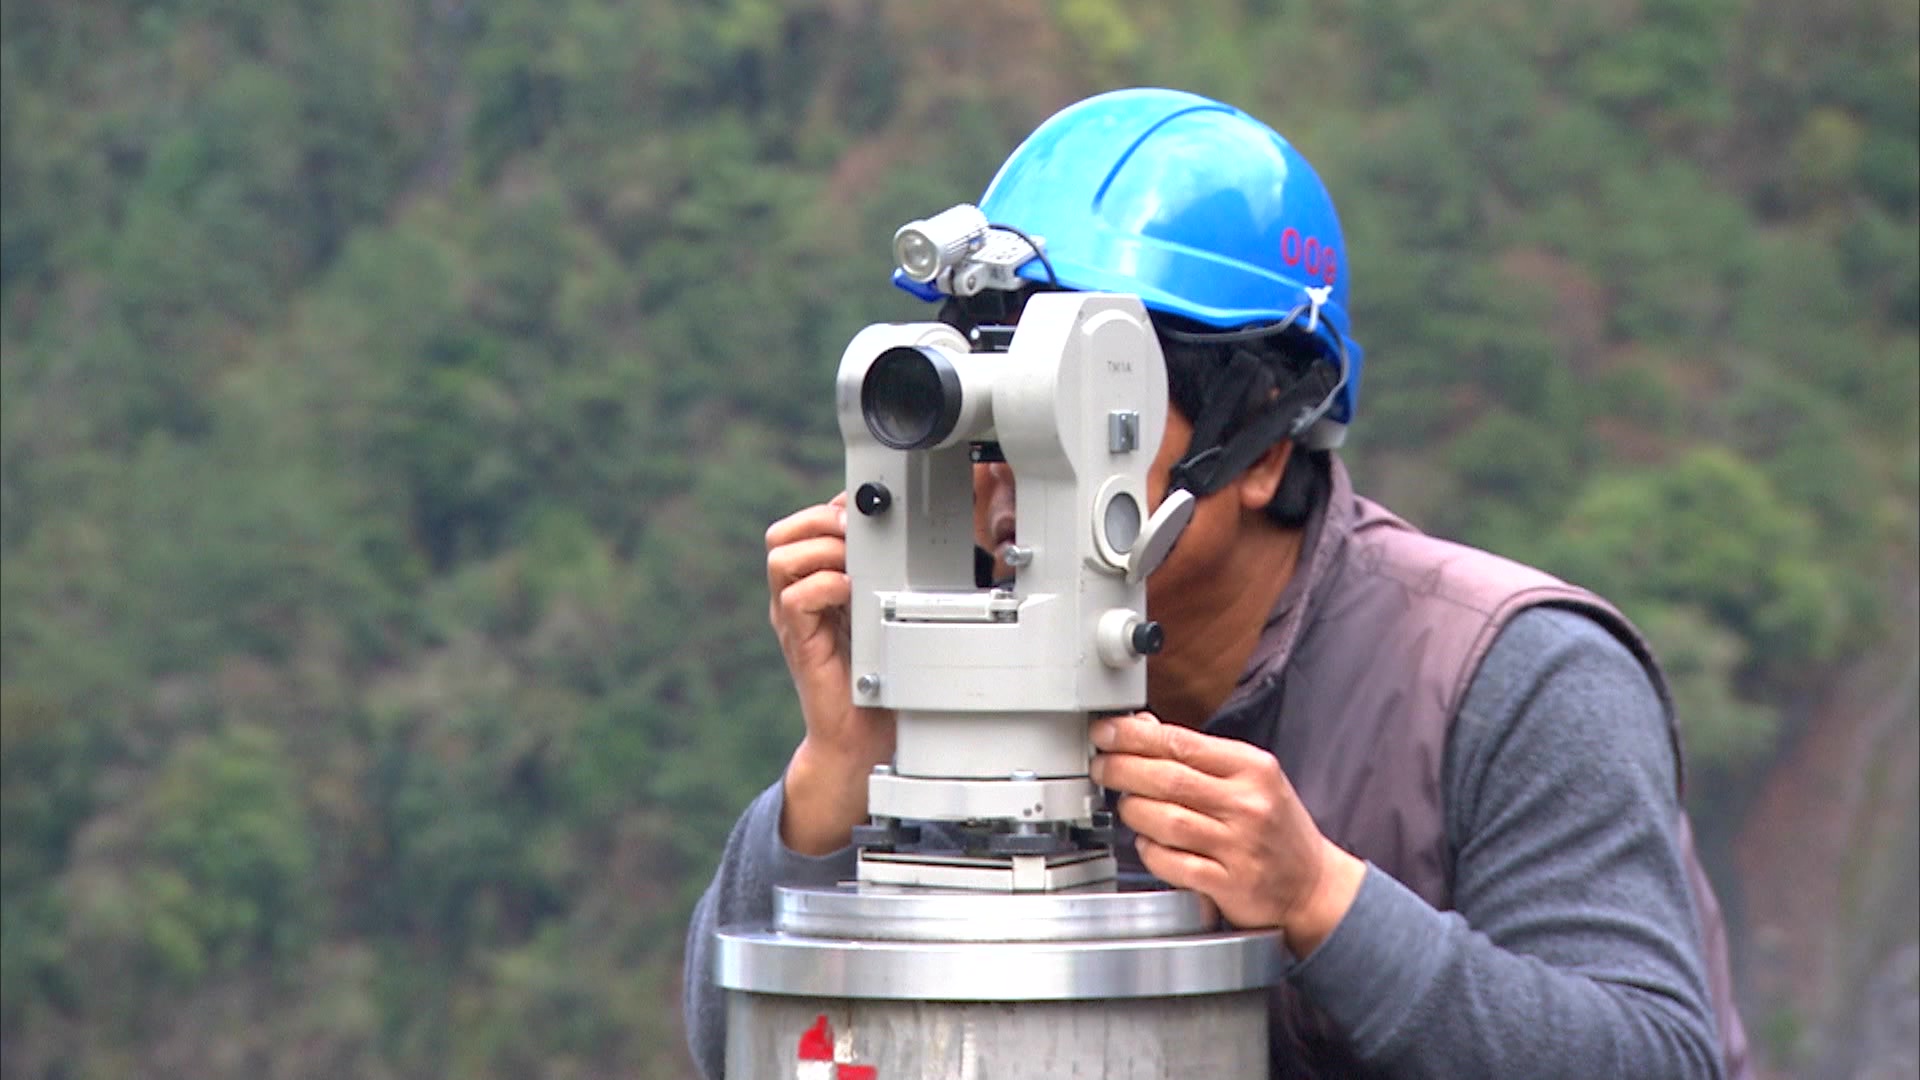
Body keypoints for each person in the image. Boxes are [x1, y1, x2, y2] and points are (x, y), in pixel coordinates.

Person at [683, 88, 1751, 1079]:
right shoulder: (953, 664)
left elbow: (1658, 1055)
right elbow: (754, 1047)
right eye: (998, 407)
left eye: (1084, 412)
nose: (1015, 471)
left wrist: (1324, 903)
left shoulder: (1512, 675)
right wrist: (835, 777)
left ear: (1262, 446)